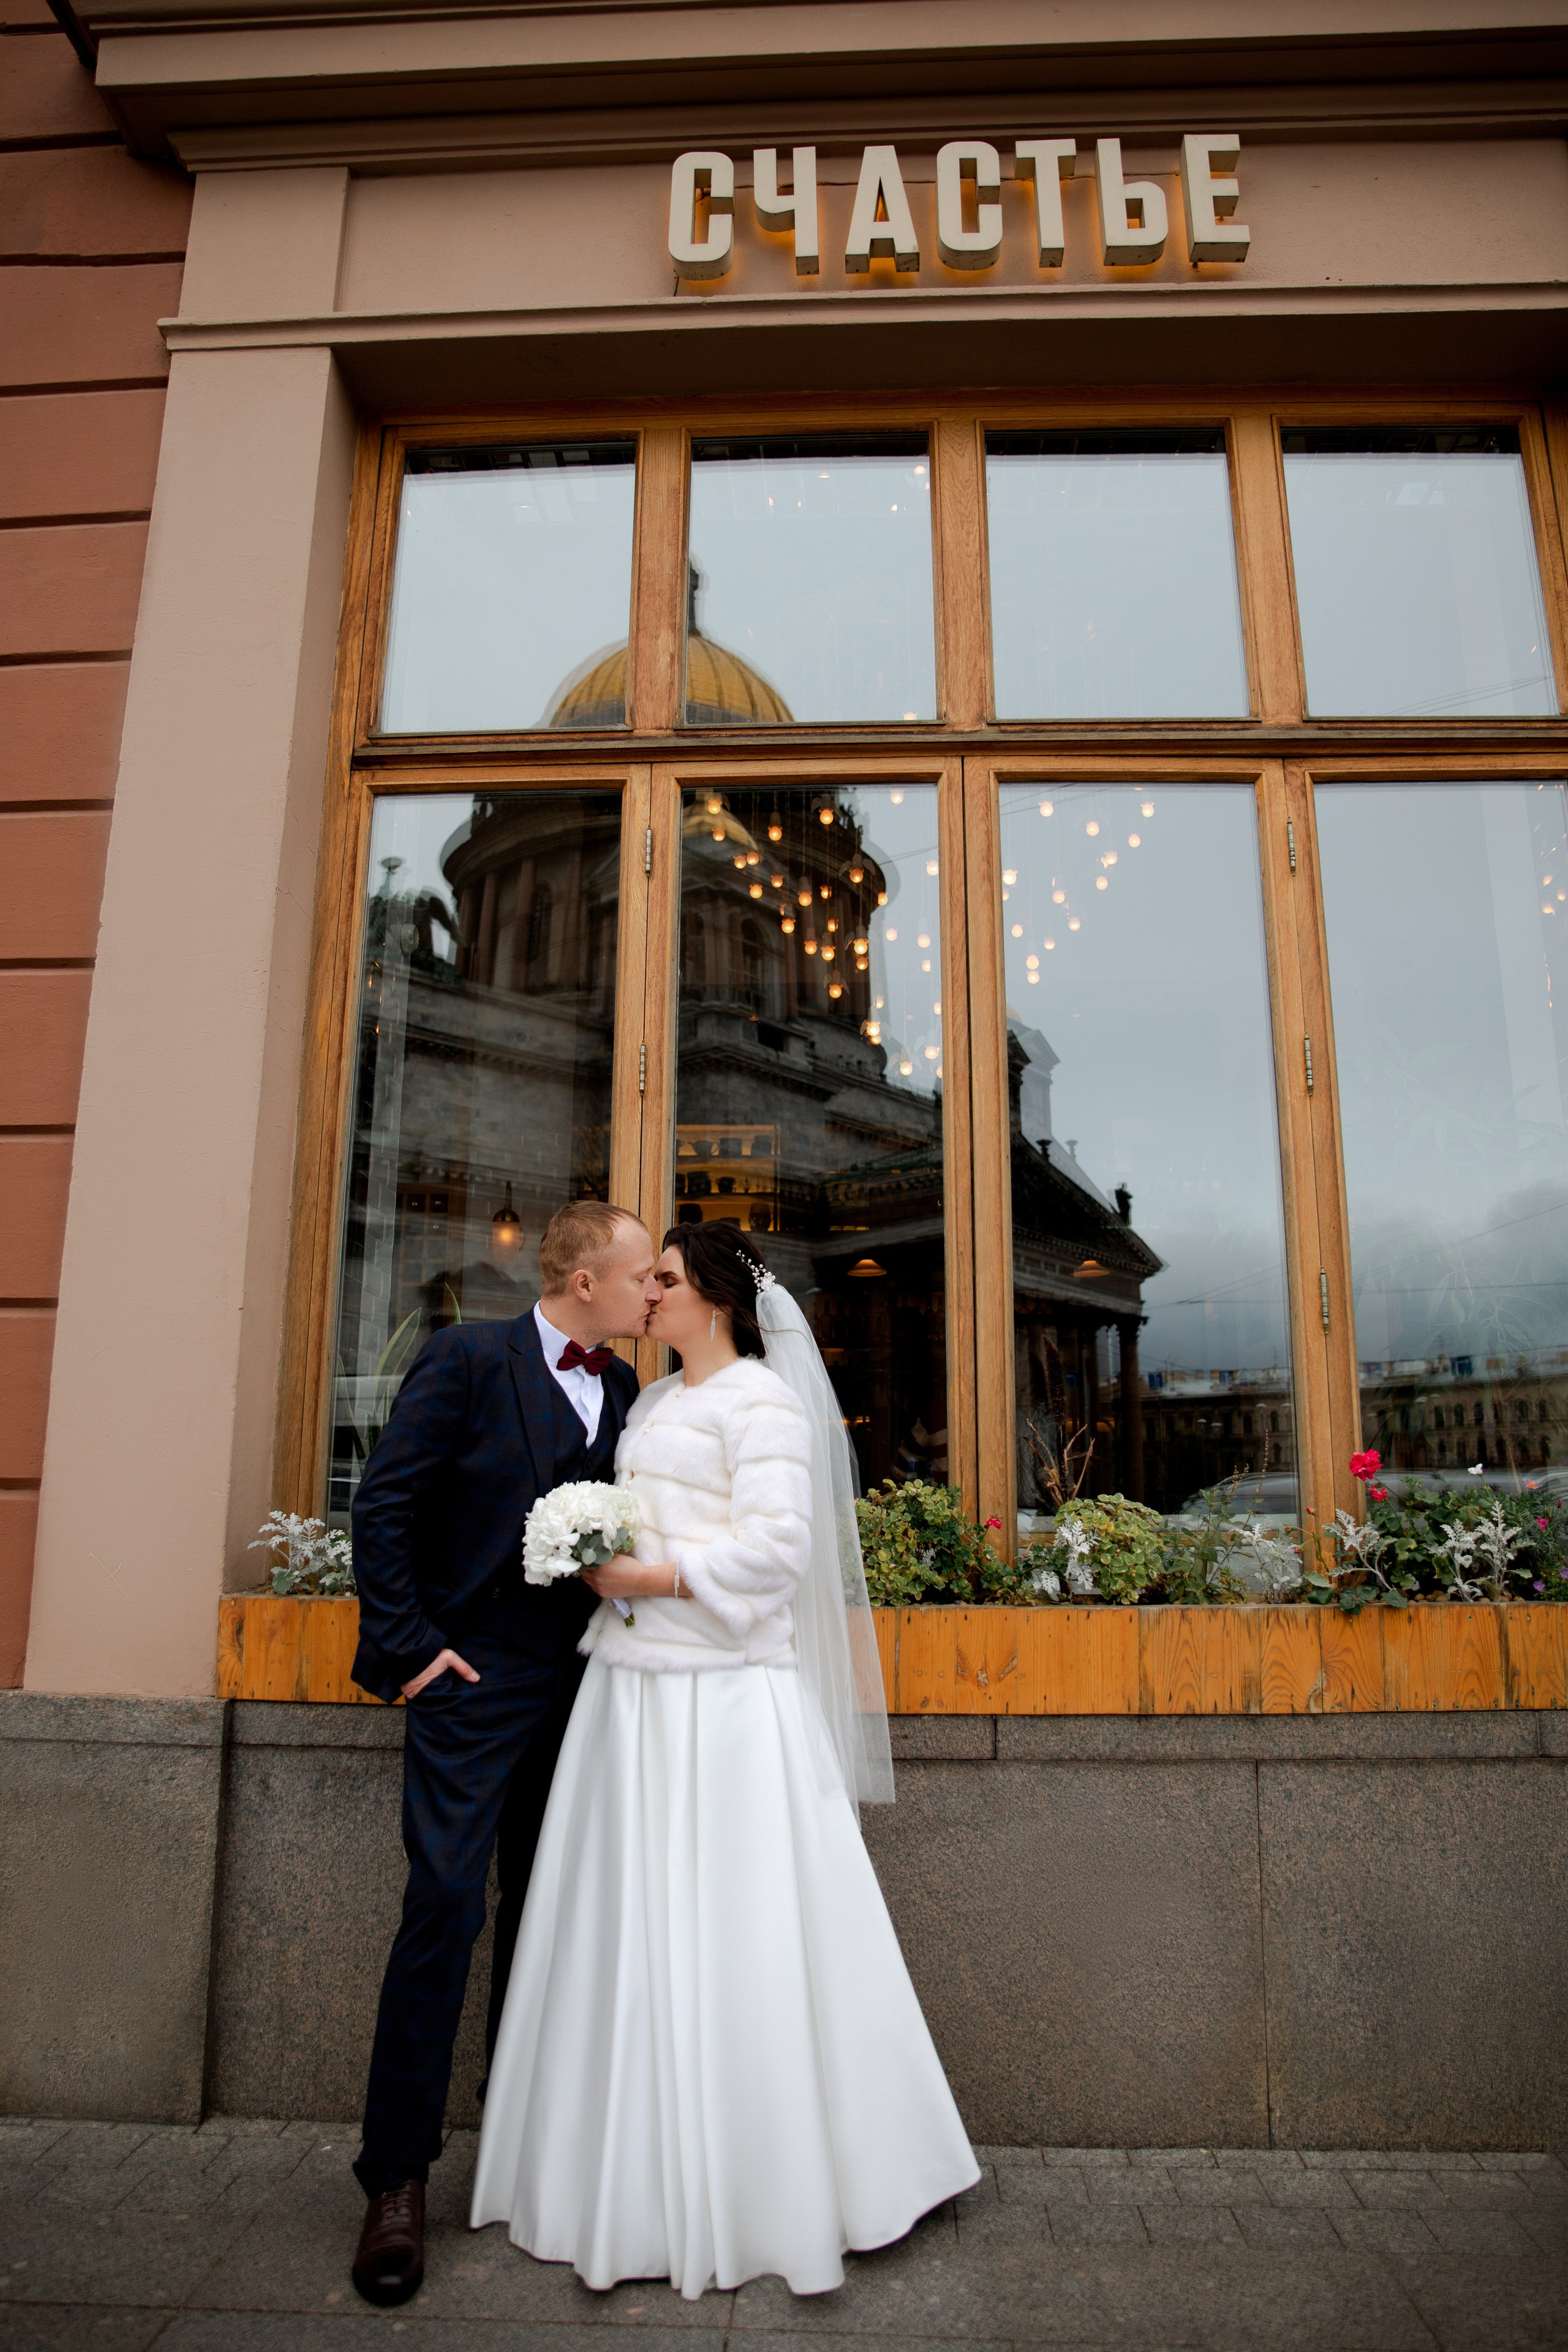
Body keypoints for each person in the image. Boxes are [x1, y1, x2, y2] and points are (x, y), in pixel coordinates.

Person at [470, 1220, 979, 2299]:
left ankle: (778, 2181)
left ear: (713, 1298)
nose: (646, 1297)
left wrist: (646, 1580)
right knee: (627, 1929)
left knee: (741, 1931)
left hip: (726, 1703)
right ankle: (622, 2176)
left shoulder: (764, 1402)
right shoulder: (651, 1403)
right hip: (631, 1701)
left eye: (663, 1281)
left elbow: (780, 1549)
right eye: (643, 1278)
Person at [348, 1199, 660, 2309]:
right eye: (639, 1278)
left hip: (582, 1688)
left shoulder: (627, 1393)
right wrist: (413, 1648)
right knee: (444, 1907)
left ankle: (527, 2158)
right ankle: (395, 2182)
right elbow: (383, 1505)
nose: (653, 1295)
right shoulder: (467, 1358)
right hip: (471, 1687)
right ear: (585, 1283)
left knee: (548, 1916)